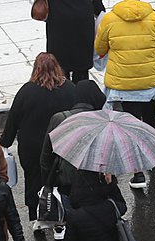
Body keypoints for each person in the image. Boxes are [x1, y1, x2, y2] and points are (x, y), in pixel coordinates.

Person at [96, 0, 155, 188]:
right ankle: (152, 155)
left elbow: (100, 49)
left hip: (123, 85)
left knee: (130, 125)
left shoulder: (110, 19)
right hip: (151, 83)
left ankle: (138, 173)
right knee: (150, 119)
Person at [0, 53, 78, 224]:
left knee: (34, 180)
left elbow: (13, 120)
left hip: (32, 148)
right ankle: (60, 217)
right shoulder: (70, 89)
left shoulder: (26, 91)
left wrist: (4, 143)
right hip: (62, 145)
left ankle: (36, 217)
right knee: (61, 180)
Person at [41, 79, 108, 218]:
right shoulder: (103, 121)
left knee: (71, 222)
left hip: (65, 182)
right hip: (94, 184)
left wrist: (48, 182)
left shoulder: (59, 118)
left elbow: (46, 156)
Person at [45, 0, 105, 82]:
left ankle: (62, 89)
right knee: (81, 67)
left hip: (58, 20)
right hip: (82, 20)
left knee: (60, 65)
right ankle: (81, 89)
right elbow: (98, 8)